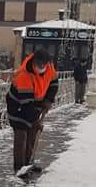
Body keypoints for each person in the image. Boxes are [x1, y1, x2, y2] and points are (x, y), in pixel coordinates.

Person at [6, 47, 59, 176]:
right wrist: (36, 120)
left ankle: (28, 163)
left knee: (32, 135)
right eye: (38, 64)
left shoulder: (49, 68)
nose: (41, 66)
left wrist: (48, 100)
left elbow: (54, 84)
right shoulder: (24, 74)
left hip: (35, 103)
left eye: (43, 64)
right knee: (21, 135)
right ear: (34, 62)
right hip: (18, 105)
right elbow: (26, 103)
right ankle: (19, 167)